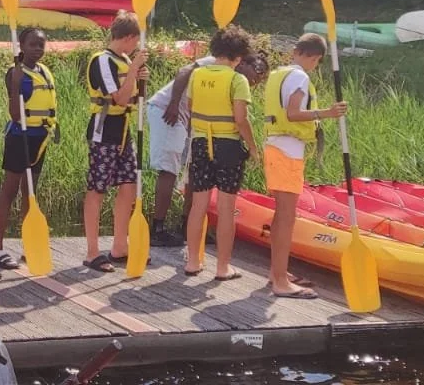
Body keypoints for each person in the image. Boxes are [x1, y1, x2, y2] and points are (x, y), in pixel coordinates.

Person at [147, 52, 268, 246]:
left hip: (192, 122)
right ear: (243, 61)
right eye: (258, 71)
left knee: (194, 173)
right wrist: (174, 103)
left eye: (263, 78)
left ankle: (187, 226)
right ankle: (157, 229)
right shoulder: (217, 61)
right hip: (168, 111)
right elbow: (184, 71)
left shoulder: (233, 80)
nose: (258, 79)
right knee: (169, 169)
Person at [264, 33, 347, 299]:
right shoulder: (299, 76)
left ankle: (278, 271)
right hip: (287, 150)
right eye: (317, 62)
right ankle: (280, 281)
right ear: (313, 57)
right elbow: (293, 113)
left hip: (276, 146)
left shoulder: (279, 72)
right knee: (287, 217)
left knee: (281, 214)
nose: (315, 66)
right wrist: (327, 113)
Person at [182, 25, 260, 281]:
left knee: (198, 205)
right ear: (238, 57)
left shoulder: (197, 75)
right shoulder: (238, 80)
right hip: (228, 146)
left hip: (201, 143)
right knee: (227, 208)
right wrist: (252, 146)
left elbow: (191, 107)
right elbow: (240, 118)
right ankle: (223, 267)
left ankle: (193, 261)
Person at [81, 12, 148, 272]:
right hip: (104, 128)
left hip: (124, 129)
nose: (136, 46)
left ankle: (120, 245)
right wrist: (133, 70)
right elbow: (118, 98)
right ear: (129, 37)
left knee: (129, 185)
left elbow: (134, 98)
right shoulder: (102, 61)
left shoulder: (125, 60)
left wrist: (140, 77)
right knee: (98, 187)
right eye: (135, 41)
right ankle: (92, 251)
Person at [0, 27, 56, 269]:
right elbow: (15, 114)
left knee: (31, 193)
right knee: (10, 191)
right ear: (22, 47)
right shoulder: (15, 74)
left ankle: (29, 245)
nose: (38, 49)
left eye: (41, 45)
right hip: (19, 137)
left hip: (40, 138)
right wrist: (15, 87)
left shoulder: (44, 72)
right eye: (33, 44)